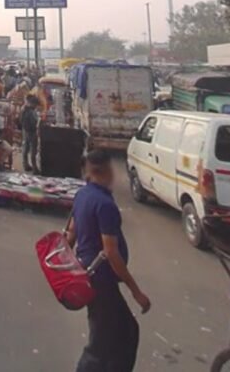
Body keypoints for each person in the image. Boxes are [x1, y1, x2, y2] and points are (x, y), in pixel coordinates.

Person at [68, 149, 150, 372]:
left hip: (89, 276)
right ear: (103, 171)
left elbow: (71, 235)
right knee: (103, 343)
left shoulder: (83, 195)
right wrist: (136, 292)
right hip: (100, 281)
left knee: (121, 333)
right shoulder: (105, 205)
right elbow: (111, 252)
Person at [21, 94, 41, 172]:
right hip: (31, 131)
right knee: (33, 149)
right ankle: (34, 167)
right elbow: (34, 122)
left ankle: (26, 165)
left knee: (26, 148)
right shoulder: (31, 111)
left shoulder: (24, 109)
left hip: (25, 131)